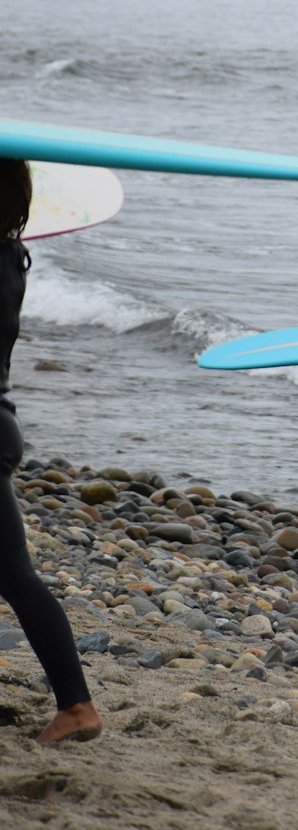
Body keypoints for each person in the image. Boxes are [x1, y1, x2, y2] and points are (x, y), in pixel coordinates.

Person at [0, 159, 102, 744]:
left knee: (17, 578)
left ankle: (77, 707)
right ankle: (74, 705)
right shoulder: (12, 257)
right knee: (14, 576)